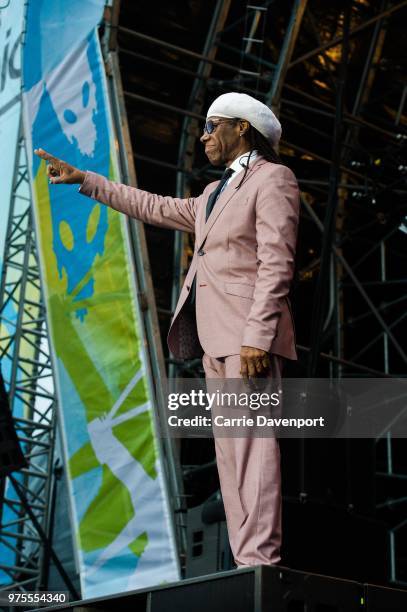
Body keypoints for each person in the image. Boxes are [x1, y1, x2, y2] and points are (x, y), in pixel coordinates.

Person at [34, 91, 300, 568]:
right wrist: (88, 181)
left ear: (242, 128)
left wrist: (258, 336)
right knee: (229, 456)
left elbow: (277, 263)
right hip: (216, 337)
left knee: (253, 451)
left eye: (212, 125)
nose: (203, 137)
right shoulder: (214, 194)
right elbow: (154, 206)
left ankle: (262, 559)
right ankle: (248, 563)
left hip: (248, 337)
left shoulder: (273, 179)